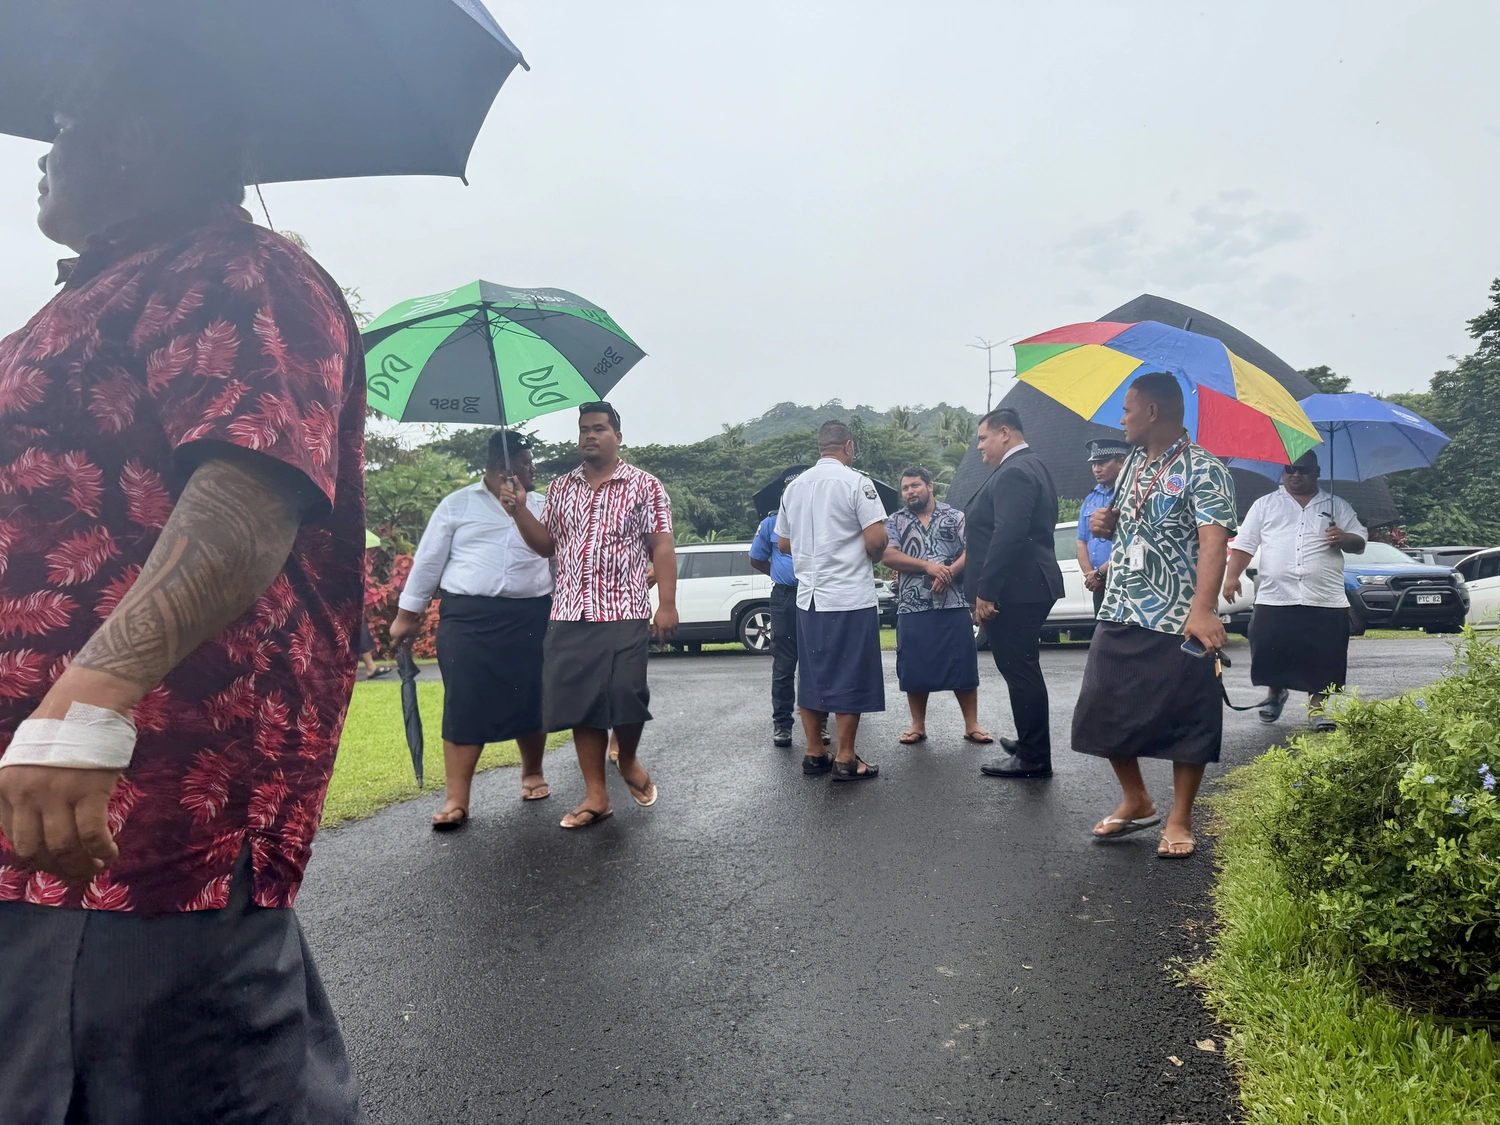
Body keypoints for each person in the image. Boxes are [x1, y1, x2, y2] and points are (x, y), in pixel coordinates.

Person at [0, 50, 364, 1121]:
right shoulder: (101, 292)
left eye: (63, 121)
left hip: (133, 806)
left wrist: (83, 712)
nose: (40, 153)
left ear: (136, 137)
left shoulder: (236, 272)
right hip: (41, 802)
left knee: (142, 1085)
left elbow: (250, 490)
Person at [1074, 373, 1238, 859]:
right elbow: (1133, 524)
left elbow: (1215, 544)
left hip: (1177, 617)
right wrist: (1109, 521)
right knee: (1100, 707)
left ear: (1151, 412)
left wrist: (1204, 609)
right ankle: (1136, 798)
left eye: (1127, 409)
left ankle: (1179, 817)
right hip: (1122, 605)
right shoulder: (1130, 468)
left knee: (1186, 718)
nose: (1121, 418)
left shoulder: (1205, 469)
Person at [499, 403, 678, 829]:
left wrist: (667, 605)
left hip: (625, 609)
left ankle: (628, 757)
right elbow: (546, 545)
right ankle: (596, 796)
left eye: (598, 429)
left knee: (628, 695)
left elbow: (663, 548)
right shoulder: (561, 488)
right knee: (582, 707)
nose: (589, 436)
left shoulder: (645, 487)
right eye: (583, 429)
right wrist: (519, 509)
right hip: (570, 613)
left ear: (617, 435)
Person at [391, 431, 555, 828]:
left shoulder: (544, 506)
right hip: (468, 618)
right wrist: (407, 614)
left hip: (531, 615)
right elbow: (429, 562)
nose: (533, 468)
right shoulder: (457, 505)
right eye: (525, 462)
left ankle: (532, 773)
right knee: (464, 701)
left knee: (531, 696)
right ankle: (457, 799)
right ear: (502, 466)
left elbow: (557, 560)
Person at [775, 421, 888, 781]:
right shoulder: (857, 482)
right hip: (848, 595)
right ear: (848, 447)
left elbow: (783, 543)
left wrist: (815, 546)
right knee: (850, 674)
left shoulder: (793, 488)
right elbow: (878, 539)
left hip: (808, 598)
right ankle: (845, 757)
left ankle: (813, 752)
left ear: (819, 447)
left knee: (812, 674)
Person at [1223, 451, 1366, 733]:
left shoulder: (1337, 505)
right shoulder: (1265, 505)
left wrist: (1344, 538)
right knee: (1268, 647)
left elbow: (1359, 541)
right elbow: (1245, 543)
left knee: (1325, 654)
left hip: (1324, 596)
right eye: (1289, 469)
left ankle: (1317, 709)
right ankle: (1275, 694)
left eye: (1303, 469)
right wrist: (1232, 575)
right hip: (1275, 595)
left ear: (1317, 472)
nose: (1295, 474)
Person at [963, 408, 1065, 779]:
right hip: (1027, 584)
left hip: (1017, 588)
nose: (979, 447)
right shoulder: (1030, 465)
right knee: (1021, 668)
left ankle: (1034, 757)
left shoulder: (1015, 471)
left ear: (1005, 433)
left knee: (1020, 670)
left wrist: (987, 591)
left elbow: (1008, 534)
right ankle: (1029, 743)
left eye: (983, 438)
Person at [881, 467, 990, 745]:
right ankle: (918, 725)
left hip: (953, 603)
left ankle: (971, 724)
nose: (910, 492)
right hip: (911, 605)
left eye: (915, 486)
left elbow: (974, 549)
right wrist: (928, 567)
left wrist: (949, 572)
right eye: (905, 488)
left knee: (962, 664)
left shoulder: (955, 517)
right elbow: (889, 555)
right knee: (914, 665)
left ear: (930, 486)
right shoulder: (895, 521)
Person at [748, 486, 828, 750]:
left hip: (816, 594)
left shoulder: (819, 521)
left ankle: (821, 724)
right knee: (784, 665)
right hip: (784, 598)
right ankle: (782, 725)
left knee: (816, 662)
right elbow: (757, 559)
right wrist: (780, 574)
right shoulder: (770, 523)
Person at [1077, 439, 1131, 616]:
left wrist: (1100, 573)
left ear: (1121, 461)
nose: (1096, 469)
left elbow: (1129, 541)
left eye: (1102, 463)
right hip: (1098, 582)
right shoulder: (1091, 498)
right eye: (1094, 464)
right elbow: (1081, 541)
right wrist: (1090, 575)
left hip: (1123, 580)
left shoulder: (1129, 494)